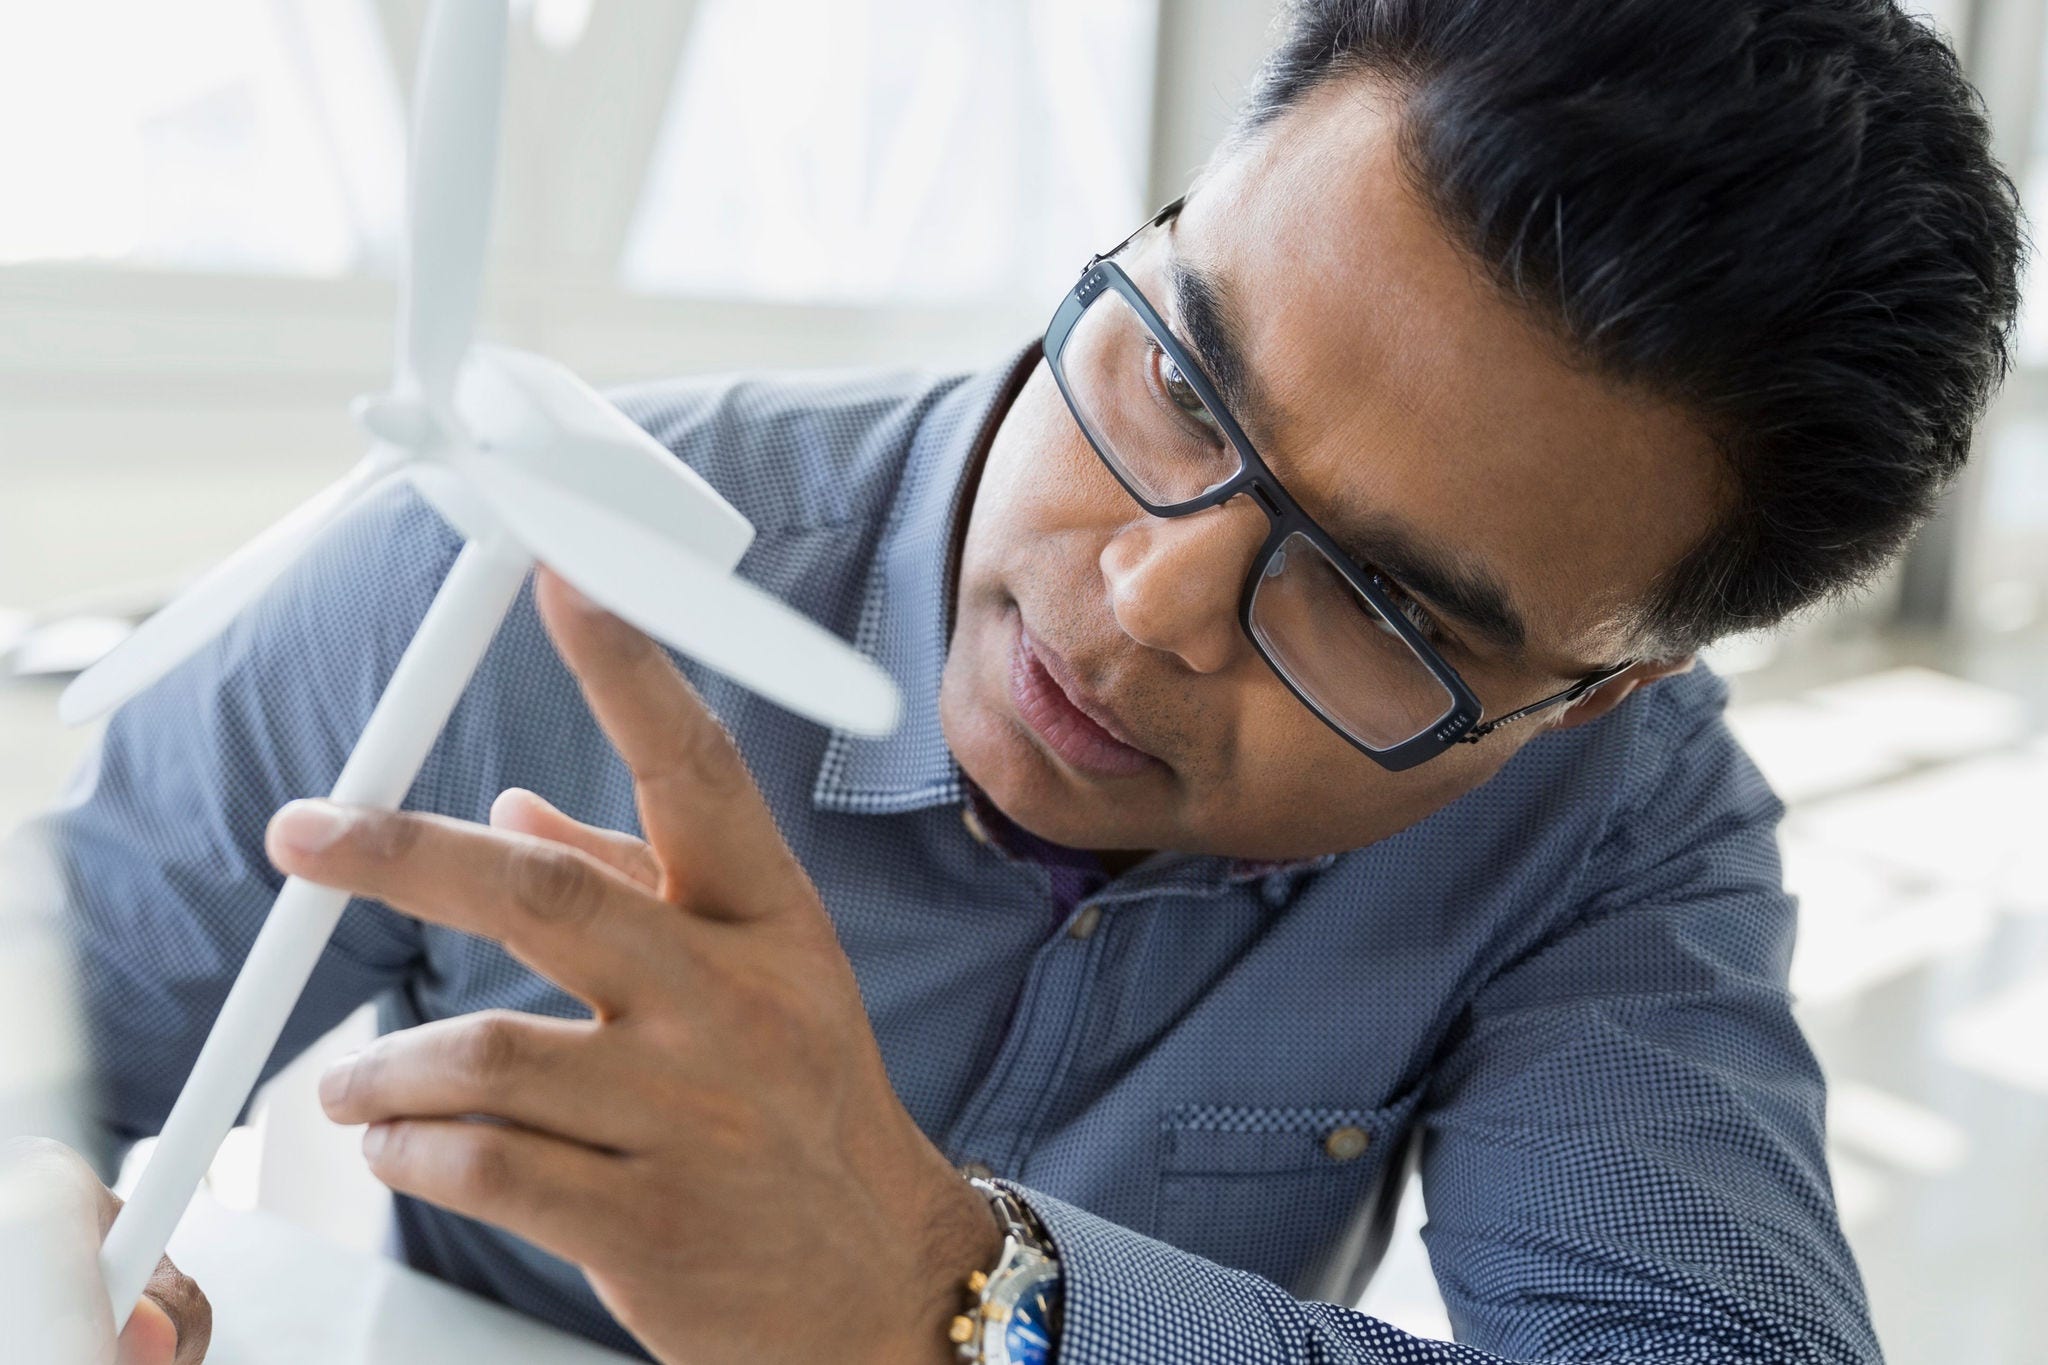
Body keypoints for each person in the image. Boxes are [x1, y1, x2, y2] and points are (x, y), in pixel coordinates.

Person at [20, 0, 2024, 1361]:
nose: (1153, 597)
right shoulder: (500, 559)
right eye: (1176, 374)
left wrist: (948, 1293)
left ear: (1583, 696)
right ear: (1147, 225)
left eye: (1385, 609)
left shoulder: (1618, 816)